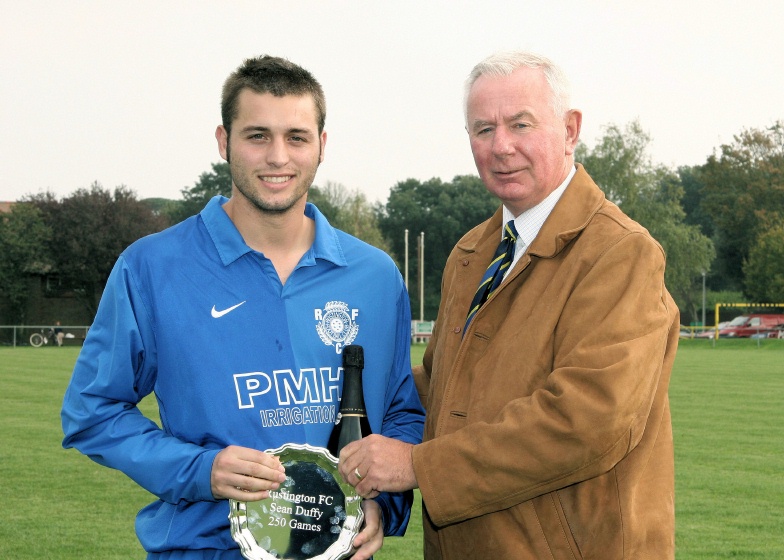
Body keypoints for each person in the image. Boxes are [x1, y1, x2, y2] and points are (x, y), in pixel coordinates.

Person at [61, 55, 425, 560]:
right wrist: (200, 469)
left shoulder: (376, 276)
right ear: (223, 141)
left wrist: (383, 503)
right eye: (257, 136)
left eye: (296, 137)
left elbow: (404, 414)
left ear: (323, 144)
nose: (278, 156)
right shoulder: (152, 267)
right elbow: (92, 412)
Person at [338, 51, 679, 559]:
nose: (501, 147)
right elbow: (436, 391)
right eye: (483, 129)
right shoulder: (472, 253)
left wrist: (417, 467)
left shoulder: (621, 253)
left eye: (521, 124)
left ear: (569, 130)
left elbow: (586, 422)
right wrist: (330, 409)